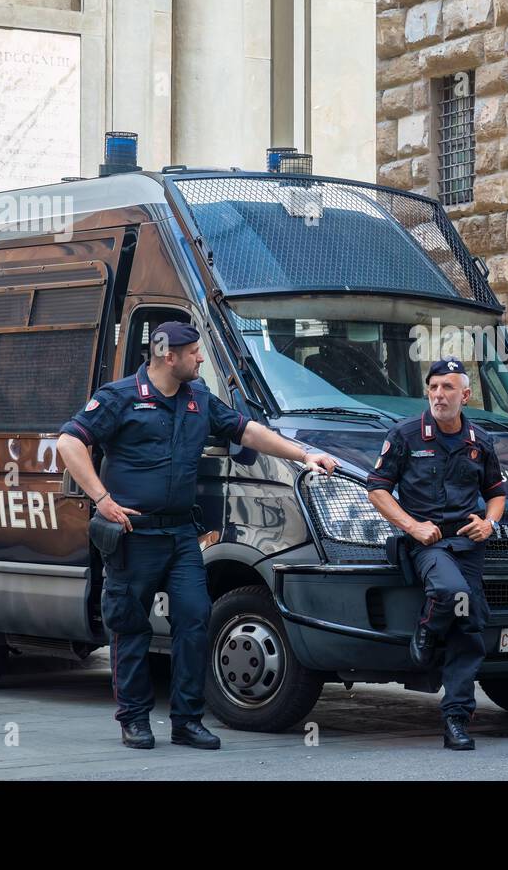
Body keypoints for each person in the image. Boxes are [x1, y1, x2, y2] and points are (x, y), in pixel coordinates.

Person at [57, 321, 337, 750]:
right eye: (194, 353)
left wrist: (305, 454)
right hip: (134, 536)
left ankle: (187, 720)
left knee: (194, 620)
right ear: (170, 356)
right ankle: (134, 718)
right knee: (131, 627)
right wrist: (102, 498)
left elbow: (246, 431)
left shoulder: (198, 399)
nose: (201, 358)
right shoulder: (120, 397)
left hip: (181, 535)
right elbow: (69, 443)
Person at [366, 357, 506, 751]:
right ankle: (426, 630)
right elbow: (376, 488)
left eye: (448, 388)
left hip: (469, 545)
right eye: (433, 388)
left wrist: (490, 524)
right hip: (427, 544)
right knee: (449, 593)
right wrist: (412, 526)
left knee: (469, 628)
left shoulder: (480, 441)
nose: (439, 395)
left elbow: (496, 494)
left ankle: (456, 719)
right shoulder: (406, 435)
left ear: (465, 394)